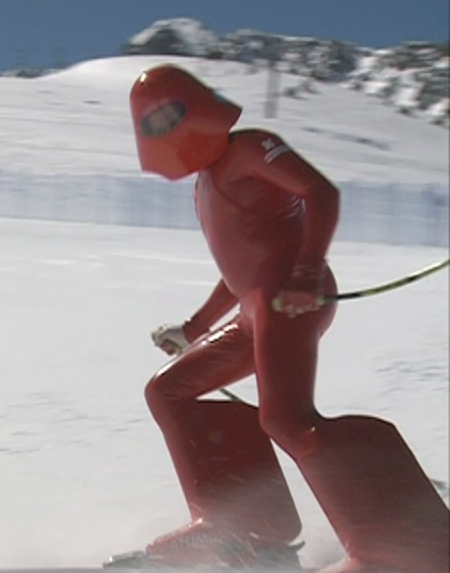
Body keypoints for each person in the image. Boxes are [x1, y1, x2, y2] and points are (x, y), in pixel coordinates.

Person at [127, 64, 449, 572]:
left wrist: (306, 272)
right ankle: (241, 525)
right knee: (168, 390)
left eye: (173, 114)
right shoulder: (205, 184)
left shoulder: (249, 148)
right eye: (152, 122)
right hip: (258, 307)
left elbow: (321, 193)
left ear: (201, 105)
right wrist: (192, 329)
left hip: (291, 298)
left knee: (286, 417)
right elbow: (239, 270)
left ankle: (405, 544)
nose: (167, 130)